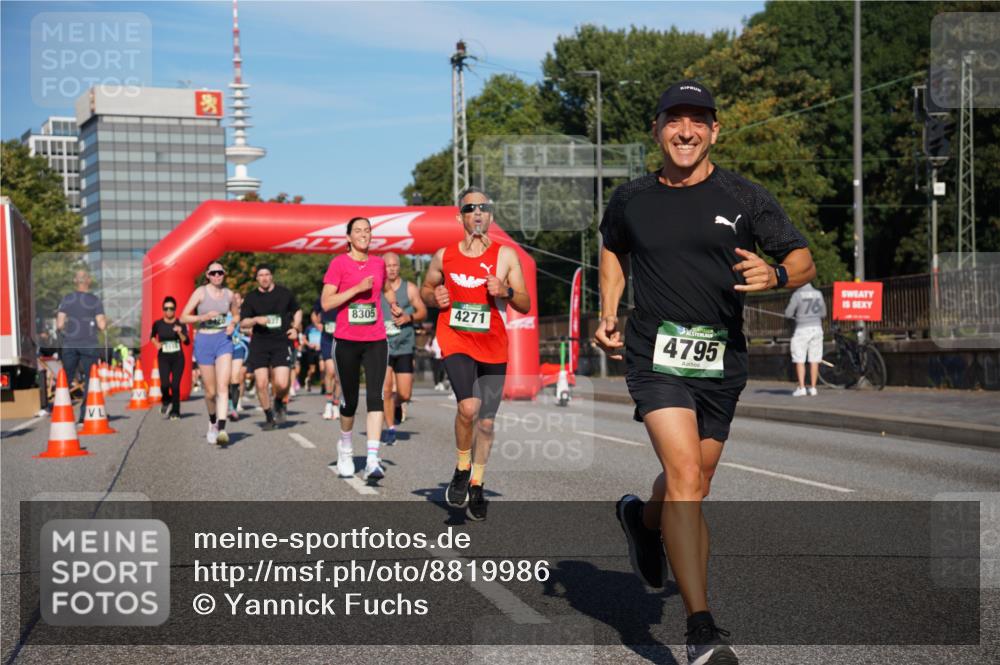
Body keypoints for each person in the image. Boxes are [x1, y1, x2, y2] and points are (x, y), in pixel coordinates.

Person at [595, 80, 816, 665]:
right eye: (674, 120)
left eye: (698, 121)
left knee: (694, 480)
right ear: (658, 129)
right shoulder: (631, 199)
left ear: (715, 130)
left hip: (722, 360)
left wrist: (778, 273)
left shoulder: (745, 196)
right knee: (687, 478)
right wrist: (609, 309)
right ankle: (702, 631)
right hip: (655, 354)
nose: (685, 131)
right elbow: (613, 247)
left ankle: (643, 522)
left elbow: (801, 256)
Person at [420, 187, 530, 520]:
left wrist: (506, 291)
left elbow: (524, 303)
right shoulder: (444, 255)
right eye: (471, 208)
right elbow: (427, 288)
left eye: (483, 207)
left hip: (494, 345)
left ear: (491, 216)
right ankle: (461, 467)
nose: (478, 212)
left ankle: (478, 483)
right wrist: (433, 297)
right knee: (467, 408)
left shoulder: (506, 256)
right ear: (461, 217)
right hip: (455, 339)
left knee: (486, 421)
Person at [321, 217, 402, 481]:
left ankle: (371, 459)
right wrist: (356, 289)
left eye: (367, 230)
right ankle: (345, 446)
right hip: (346, 341)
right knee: (350, 401)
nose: (364, 234)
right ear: (348, 237)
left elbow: (387, 288)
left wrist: (393, 304)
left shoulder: (378, 264)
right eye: (358, 231)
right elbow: (326, 303)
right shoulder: (338, 264)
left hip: (376, 339)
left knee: (376, 396)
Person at [181, 260, 238, 445]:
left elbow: (236, 314)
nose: (216, 276)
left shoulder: (229, 295)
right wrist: (202, 317)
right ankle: (213, 421)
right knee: (210, 392)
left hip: (223, 340)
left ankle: (222, 429)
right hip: (204, 341)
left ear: (224, 273)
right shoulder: (200, 292)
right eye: (213, 273)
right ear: (207, 275)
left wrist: (232, 324)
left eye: (219, 272)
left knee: (223, 386)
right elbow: (183, 316)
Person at [240, 264, 301, 431]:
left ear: (271, 276)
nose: (264, 278)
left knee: (281, 384)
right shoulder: (251, 298)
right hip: (260, 343)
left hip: (281, 342)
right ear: (257, 278)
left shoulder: (284, 293)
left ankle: (279, 401)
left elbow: (297, 311)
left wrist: (295, 328)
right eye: (261, 275)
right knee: (261, 383)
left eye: (267, 274)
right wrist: (255, 320)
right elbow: (243, 322)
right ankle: (269, 417)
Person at [381, 252, 427, 444]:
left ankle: (398, 404)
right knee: (386, 390)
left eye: (394, 265)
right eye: (387, 266)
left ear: (399, 267)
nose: (391, 269)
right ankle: (390, 429)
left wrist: (409, 318)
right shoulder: (378, 289)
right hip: (382, 345)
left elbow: (423, 311)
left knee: (404, 393)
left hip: (404, 345)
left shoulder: (409, 288)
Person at [56, 269, 107, 424]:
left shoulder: (67, 299)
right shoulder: (95, 300)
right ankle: (84, 415)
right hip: (89, 344)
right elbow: (102, 325)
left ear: (74, 281)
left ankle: (62, 413)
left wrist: (67, 330)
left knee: (66, 378)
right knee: (90, 380)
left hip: (70, 344)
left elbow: (59, 324)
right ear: (88, 281)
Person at [150, 296, 189, 419]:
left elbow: (187, 341)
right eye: (166, 308)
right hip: (164, 358)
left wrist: (179, 332)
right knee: (165, 384)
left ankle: (175, 411)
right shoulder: (157, 324)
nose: (169, 311)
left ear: (175, 309)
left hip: (178, 358)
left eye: (171, 308)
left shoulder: (180, 324)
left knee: (175, 385)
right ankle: (166, 400)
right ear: (163, 309)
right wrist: (156, 343)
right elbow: (151, 336)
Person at [785, 282, 826, 396]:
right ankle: (813, 388)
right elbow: (823, 313)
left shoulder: (797, 295)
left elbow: (788, 313)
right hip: (817, 328)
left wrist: (797, 316)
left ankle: (802, 387)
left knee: (800, 359)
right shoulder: (818, 293)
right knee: (815, 359)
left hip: (802, 329)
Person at [311, 298, 340, 420]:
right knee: (330, 371)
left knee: (339, 376)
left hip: (342, 338)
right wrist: (317, 324)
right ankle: (328, 403)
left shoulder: (347, 293)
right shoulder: (324, 296)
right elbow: (314, 313)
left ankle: (336, 404)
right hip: (327, 339)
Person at [229, 292, 250, 420]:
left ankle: (234, 407)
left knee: (237, 376)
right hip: (223, 349)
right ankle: (229, 402)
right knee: (225, 380)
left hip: (239, 347)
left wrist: (244, 330)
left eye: (237, 298)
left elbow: (251, 328)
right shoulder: (224, 312)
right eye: (233, 299)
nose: (235, 301)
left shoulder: (246, 313)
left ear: (241, 301)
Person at [299, 323, 322, 392]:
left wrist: (321, 345)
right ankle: (308, 379)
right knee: (313, 370)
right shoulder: (309, 328)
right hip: (311, 351)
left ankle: (324, 386)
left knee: (322, 368)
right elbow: (304, 338)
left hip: (321, 350)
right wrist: (309, 344)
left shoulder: (322, 326)